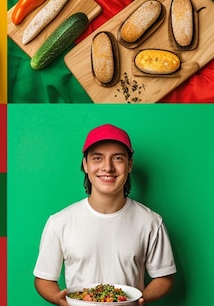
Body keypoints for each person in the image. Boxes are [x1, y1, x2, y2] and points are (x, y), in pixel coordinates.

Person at [34, 124, 175, 306]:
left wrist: (140, 300)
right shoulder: (59, 222)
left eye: (117, 158)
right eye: (97, 158)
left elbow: (164, 277)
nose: (107, 167)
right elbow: (43, 278)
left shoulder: (151, 222)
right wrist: (58, 299)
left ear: (129, 165)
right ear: (85, 165)